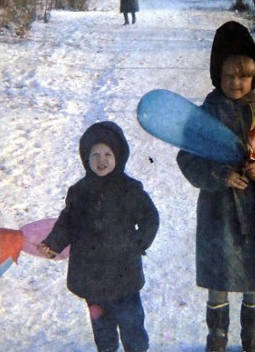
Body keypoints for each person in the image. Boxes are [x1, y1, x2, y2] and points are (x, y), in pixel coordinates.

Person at [176, 21, 255, 352]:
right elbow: (187, 160)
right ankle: (216, 338)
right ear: (218, 75)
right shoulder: (205, 115)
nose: (236, 82)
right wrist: (219, 175)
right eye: (229, 75)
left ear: (254, 77)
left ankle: (252, 338)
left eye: (244, 76)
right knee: (219, 278)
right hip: (219, 212)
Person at [38, 121, 159, 352]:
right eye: (94, 155)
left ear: (118, 157)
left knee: (131, 322)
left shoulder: (129, 189)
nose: (101, 160)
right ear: (86, 158)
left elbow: (150, 218)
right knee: (102, 327)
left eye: (107, 154)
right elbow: (67, 223)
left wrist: (137, 244)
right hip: (91, 275)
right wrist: (53, 243)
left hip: (123, 273)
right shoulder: (79, 191)